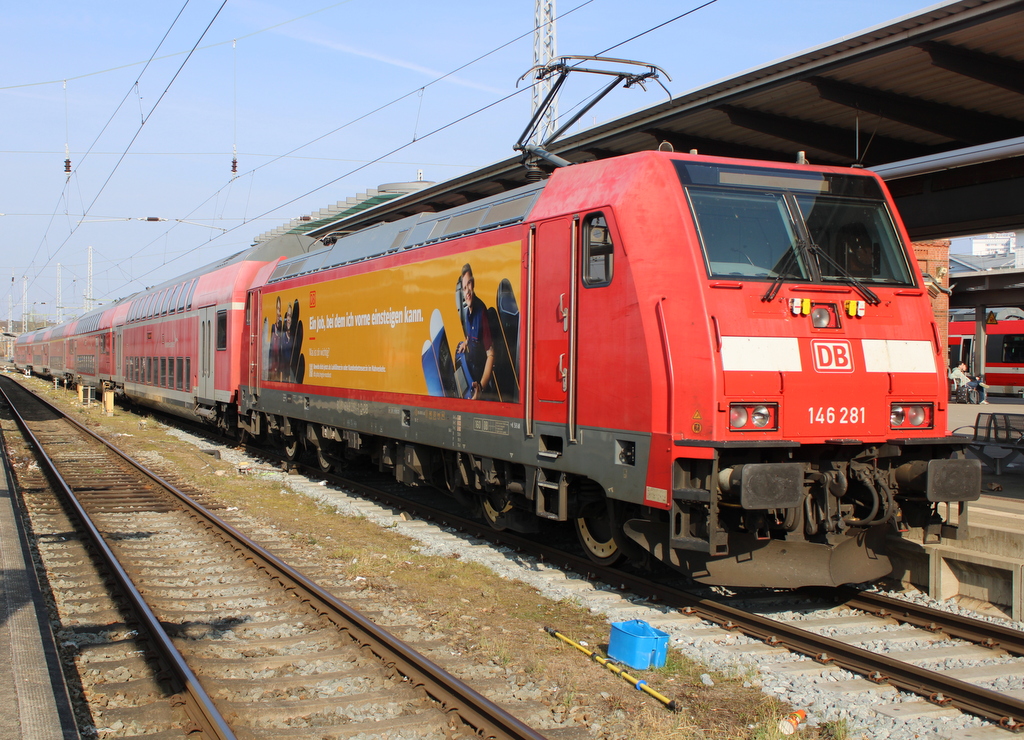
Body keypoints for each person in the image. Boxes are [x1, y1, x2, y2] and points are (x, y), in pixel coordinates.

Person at [456, 263, 494, 400]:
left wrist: (481, 388)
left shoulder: (481, 312)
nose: (467, 291)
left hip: (480, 384)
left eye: (469, 285)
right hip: (470, 374)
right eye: (464, 288)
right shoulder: (468, 311)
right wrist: (466, 343)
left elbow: (491, 354)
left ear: (474, 283)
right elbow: (471, 334)